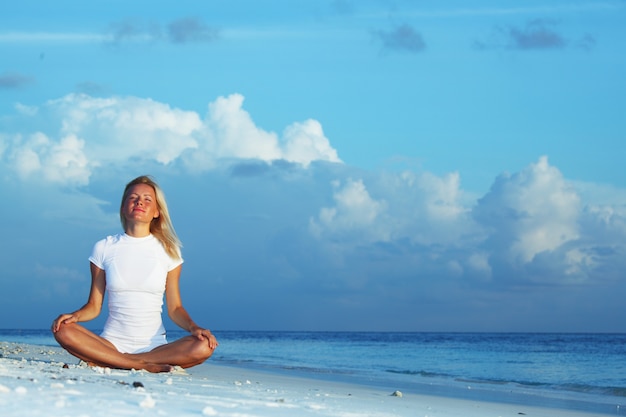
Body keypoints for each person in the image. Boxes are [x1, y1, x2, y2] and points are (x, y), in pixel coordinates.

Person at [52, 175, 218, 373]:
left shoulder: (169, 251)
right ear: (123, 207)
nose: (140, 201)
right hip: (110, 345)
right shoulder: (104, 247)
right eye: (133, 197)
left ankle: (121, 361)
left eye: (148, 199)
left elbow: (175, 308)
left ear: (157, 212)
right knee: (62, 329)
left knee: (204, 345)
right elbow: (94, 306)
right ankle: (140, 365)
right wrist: (75, 316)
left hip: (156, 348)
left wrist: (194, 327)